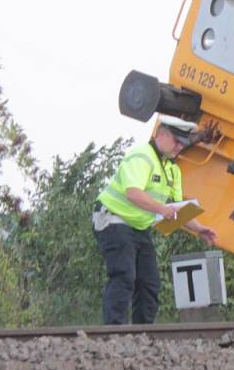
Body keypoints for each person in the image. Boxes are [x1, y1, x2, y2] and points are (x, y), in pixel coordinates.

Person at [93, 114, 218, 325]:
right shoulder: (142, 157)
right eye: (176, 141)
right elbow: (133, 193)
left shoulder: (172, 170)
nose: (180, 146)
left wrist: (199, 229)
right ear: (161, 135)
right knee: (124, 275)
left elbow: (176, 210)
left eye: (183, 143)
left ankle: (143, 333)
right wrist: (161, 208)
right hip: (113, 219)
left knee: (149, 282)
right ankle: (114, 332)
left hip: (137, 227)